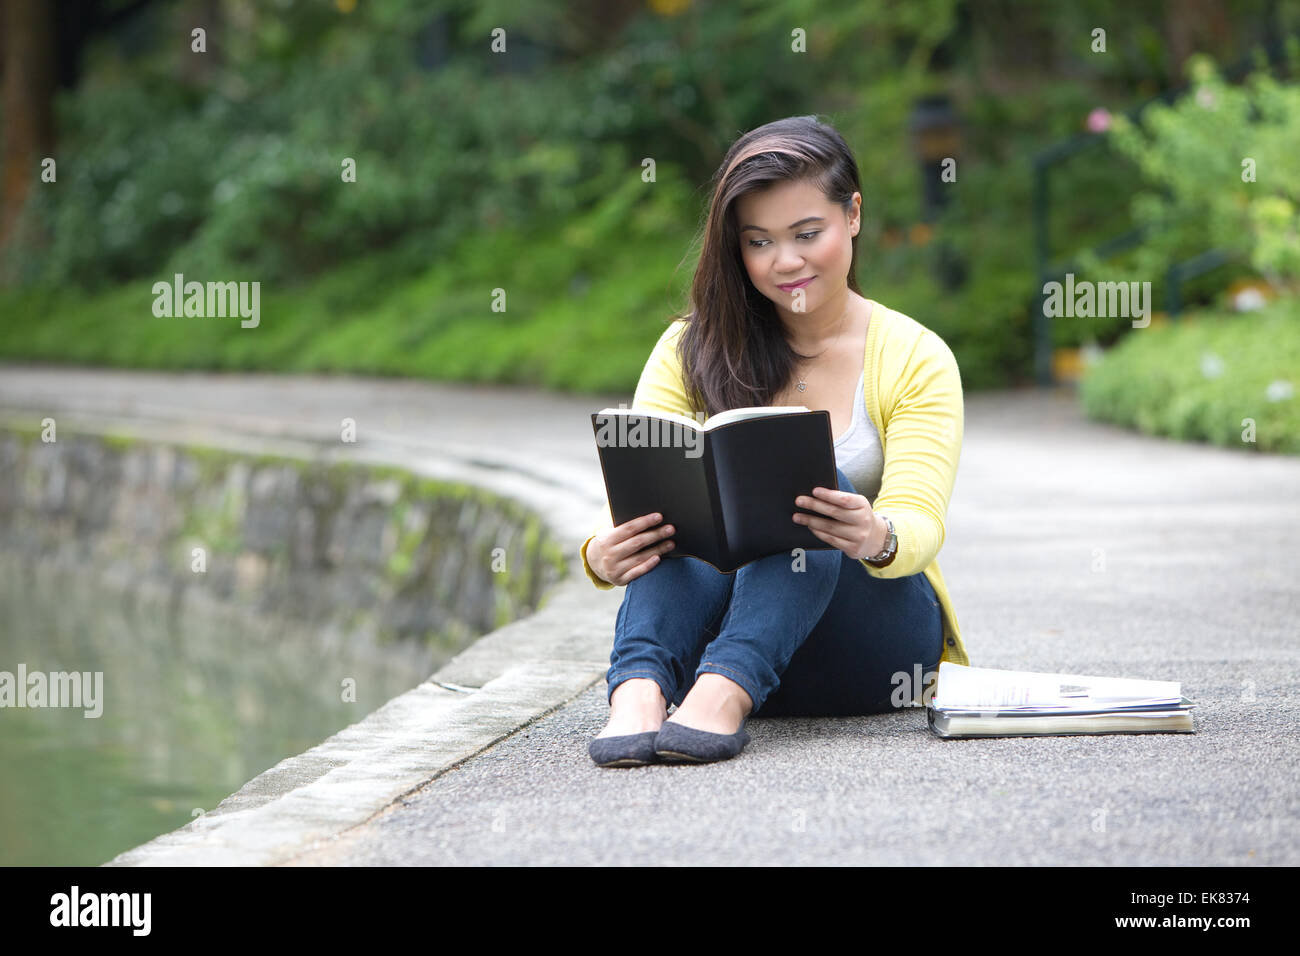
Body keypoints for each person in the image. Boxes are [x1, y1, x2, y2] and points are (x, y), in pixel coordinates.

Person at [579, 115, 969, 767]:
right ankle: (639, 696)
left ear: (853, 215)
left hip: (870, 649)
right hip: (717, 641)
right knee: (672, 514)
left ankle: (724, 698)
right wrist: (600, 552)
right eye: (758, 242)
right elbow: (633, 494)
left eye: (806, 234)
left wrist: (875, 533)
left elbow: (923, 521)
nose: (784, 262)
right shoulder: (690, 347)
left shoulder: (915, 357)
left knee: (809, 490)